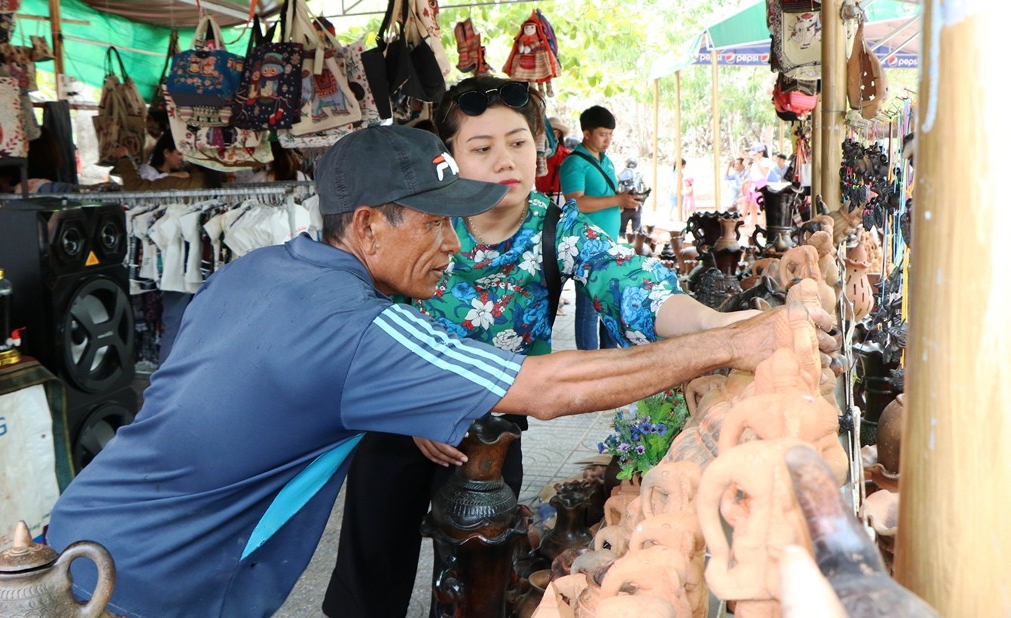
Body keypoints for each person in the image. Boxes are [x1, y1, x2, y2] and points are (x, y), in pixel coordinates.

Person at [44, 123, 834, 618]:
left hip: (79, 535)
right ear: (365, 225)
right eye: (432, 223)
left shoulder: (263, 270)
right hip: (127, 588)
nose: (454, 245)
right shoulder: (358, 325)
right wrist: (735, 345)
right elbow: (547, 389)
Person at [322, 77, 839, 618]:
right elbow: (374, 306)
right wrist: (416, 408)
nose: (506, 161)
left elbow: (634, 285)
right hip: (400, 416)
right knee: (371, 572)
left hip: (492, 429)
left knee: (477, 578)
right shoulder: (424, 221)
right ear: (448, 159)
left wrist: (723, 328)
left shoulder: (557, 227)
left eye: (519, 142)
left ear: (539, 145)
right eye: (481, 148)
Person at [559, 105, 642, 350]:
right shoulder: (574, 163)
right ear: (587, 133)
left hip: (609, 243)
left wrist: (622, 200)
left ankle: (608, 358)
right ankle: (588, 363)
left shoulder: (606, 162)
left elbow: (603, 197)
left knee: (608, 303)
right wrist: (617, 200)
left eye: (610, 134)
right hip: (587, 244)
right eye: (603, 134)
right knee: (588, 309)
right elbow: (577, 203)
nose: (608, 140)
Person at [111, 131, 207, 190]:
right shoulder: (147, 171)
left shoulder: (186, 173)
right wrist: (170, 175)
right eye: (179, 154)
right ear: (166, 153)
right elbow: (143, 187)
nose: (183, 158)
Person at [535, 115, 572, 202]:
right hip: (539, 201)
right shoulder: (535, 156)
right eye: (544, 132)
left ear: (558, 134)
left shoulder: (568, 157)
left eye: (551, 132)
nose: (546, 136)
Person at [617, 157, 647, 238]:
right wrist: (641, 202)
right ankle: (636, 247)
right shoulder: (640, 174)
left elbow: (615, 188)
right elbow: (646, 188)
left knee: (622, 230)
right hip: (636, 204)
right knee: (636, 231)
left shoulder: (620, 174)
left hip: (624, 205)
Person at [742, 143, 770, 228]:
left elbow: (764, 173)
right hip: (753, 185)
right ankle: (754, 227)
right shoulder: (754, 162)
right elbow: (752, 173)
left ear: (761, 152)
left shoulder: (766, 161)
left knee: (762, 207)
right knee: (752, 206)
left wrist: (757, 161)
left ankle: (765, 227)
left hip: (761, 185)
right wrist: (746, 165)